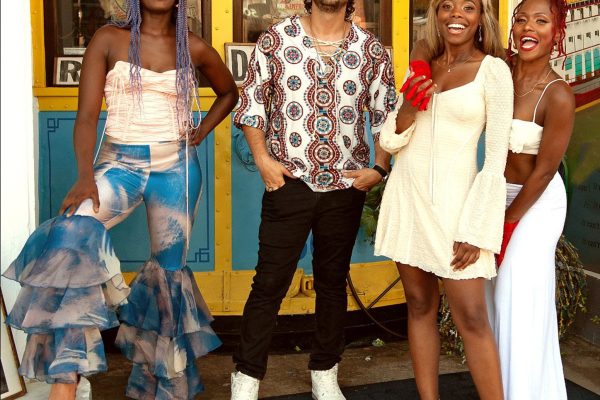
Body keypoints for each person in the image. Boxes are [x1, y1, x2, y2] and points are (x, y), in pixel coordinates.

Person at [2, 1, 238, 399]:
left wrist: (201, 131)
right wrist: (84, 177)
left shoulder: (194, 47)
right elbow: (86, 116)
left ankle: (161, 383)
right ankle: (66, 379)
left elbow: (229, 93)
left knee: (169, 272)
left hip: (177, 169)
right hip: (119, 164)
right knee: (70, 234)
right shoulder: (108, 39)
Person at [231, 0, 397, 398]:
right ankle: (246, 378)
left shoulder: (370, 48)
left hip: (345, 185)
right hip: (289, 182)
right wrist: (263, 160)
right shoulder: (276, 38)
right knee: (269, 282)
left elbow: (386, 113)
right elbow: (251, 104)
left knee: (332, 282)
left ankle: (325, 371)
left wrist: (380, 168)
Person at [374, 0, 513, 399]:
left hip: (457, 211)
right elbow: (391, 141)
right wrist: (408, 107)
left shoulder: (493, 70)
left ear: (481, 17)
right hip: (408, 199)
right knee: (419, 306)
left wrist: (477, 228)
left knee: (472, 317)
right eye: (447, 6)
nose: (456, 15)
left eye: (468, 7)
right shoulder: (422, 66)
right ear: (436, 14)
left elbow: (496, 160)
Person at [487, 0, 574, 398]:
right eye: (521, 19)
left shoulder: (558, 95)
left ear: (556, 32)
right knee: (491, 299)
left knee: (516, 297)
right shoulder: (497, 71)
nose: (528, 27)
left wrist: (508, 224)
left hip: (536, 203)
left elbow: (543, 172)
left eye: (541, 21)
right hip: (495, 195)